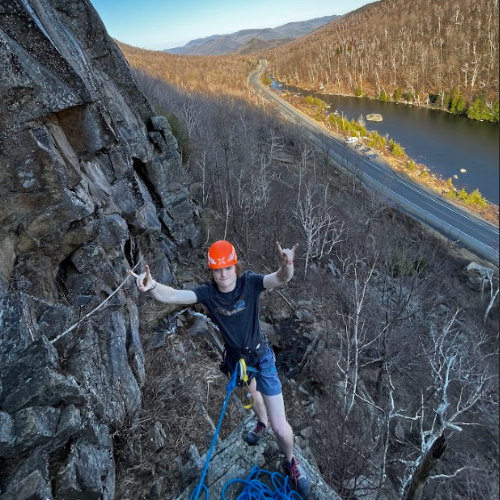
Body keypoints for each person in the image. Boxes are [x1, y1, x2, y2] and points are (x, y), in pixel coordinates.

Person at [129, 240, 310, 498]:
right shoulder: (208, 293)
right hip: (238, 360)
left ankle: (291, 462)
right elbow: (174, 295)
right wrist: (152, 286)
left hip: (261, 355)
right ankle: (261, 423)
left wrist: (288, 263)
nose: (223, 274)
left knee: (281, 427)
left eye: (227, 268)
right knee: (252, 394)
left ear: (235, 268)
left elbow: (280, 278)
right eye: (217, 270)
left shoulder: (250, 283)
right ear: (211, 272)